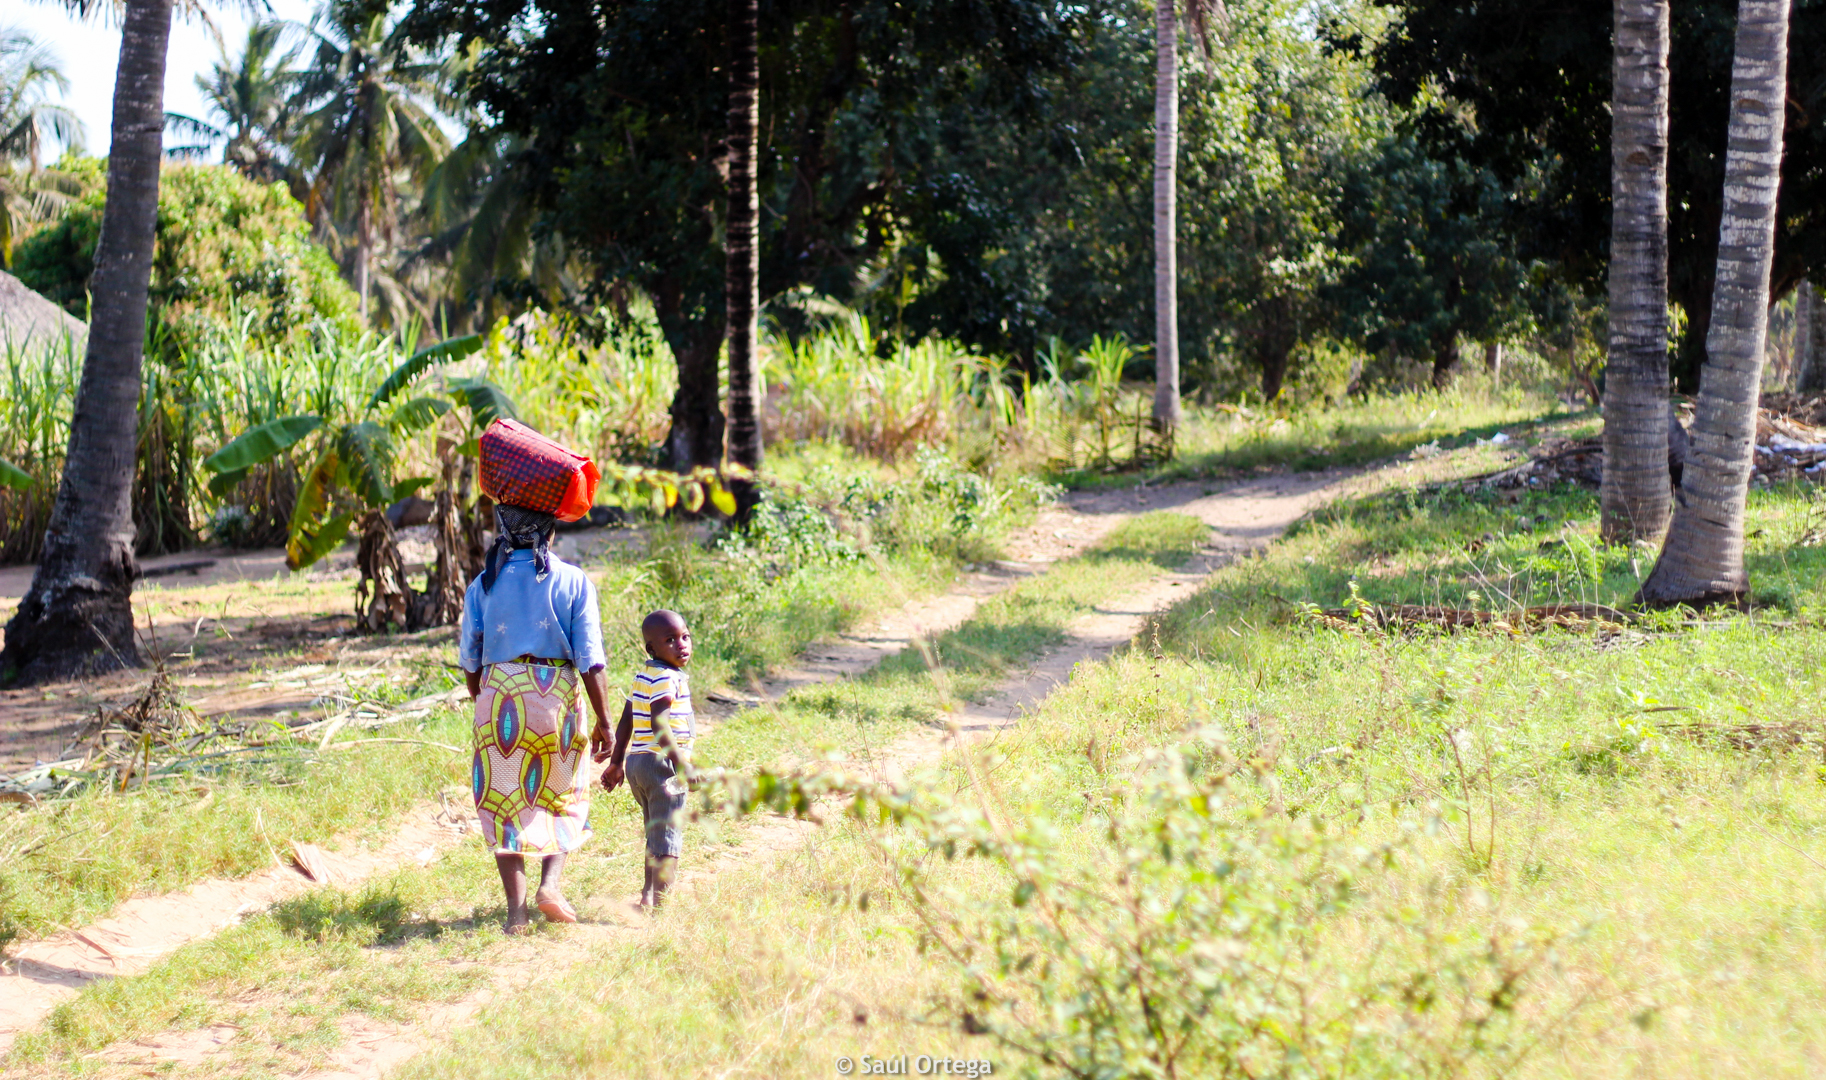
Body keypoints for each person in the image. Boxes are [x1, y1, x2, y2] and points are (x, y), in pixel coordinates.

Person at [459, 503, 612, 934]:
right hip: (555, 698)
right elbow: (591, 660)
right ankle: (551, 886)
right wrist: (604, 720)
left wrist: (485, 697)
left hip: (500, 697)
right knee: (562, 794)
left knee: (502, 801)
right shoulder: (572, 581)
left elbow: (470, 656)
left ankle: (516, 913)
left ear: (503, 530)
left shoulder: (484, 584)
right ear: (551, 532)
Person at [599, 609, 695, 910]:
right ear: (651, 649)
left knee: (656, 833)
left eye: (685, 636)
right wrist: (682, 765)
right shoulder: (668, 678)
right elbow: (660, 724)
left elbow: (627, 720)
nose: (681, 645)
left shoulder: (644, 676)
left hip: (637, 764)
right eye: (670, 640)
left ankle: (647, 896)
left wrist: (616, 763)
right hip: (662, 765)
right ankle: (662, 909)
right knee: (667, 836)